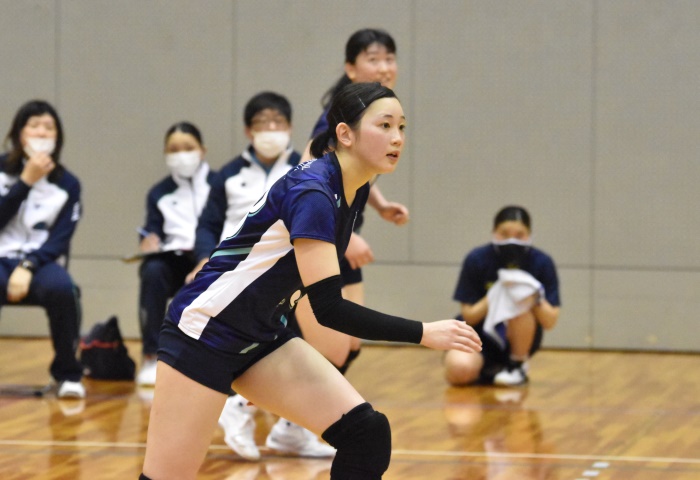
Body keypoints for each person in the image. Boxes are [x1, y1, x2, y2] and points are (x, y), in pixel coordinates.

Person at [140, 82, 482, 480]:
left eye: (402, 127)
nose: (397, 138)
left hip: (261, 336)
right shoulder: (314, 193)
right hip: (204, 335)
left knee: (366, 433)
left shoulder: (353, 187)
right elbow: (329, 309)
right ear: (345, 134)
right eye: (385, 125)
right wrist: (424, 333)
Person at [186, 91, 334, 460]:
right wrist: (203, 258)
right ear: (247, 131)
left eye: (277, 122)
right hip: (234, 273)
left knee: (315, 346)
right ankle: (237, 406)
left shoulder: (305, 170)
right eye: (261, 123)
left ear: (290, 127)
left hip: (287, 272)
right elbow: (207, 225)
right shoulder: (227, 175)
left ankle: (286, 425)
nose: (270, 129)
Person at [298, 27, 409, 375]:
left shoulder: (374, 114)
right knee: (333, 350)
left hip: (343, 235)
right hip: (323, 237)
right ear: (351, 68)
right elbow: (310, 179)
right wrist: (338, 237)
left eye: (389, 59)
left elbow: (352, 171)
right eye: (373, 59)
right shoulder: (337, 119)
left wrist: (379, 204)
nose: (384, 67)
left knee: (350, 347)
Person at [0, 100, 84, 398]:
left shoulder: (68, 184)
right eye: (34, 126)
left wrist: (29, 265)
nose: (41, 132)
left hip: (40, 262)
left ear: (57, 137)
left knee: (64, 290)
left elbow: (60, 238)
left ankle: (68, 374)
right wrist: (25, 182)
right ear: (19, 133)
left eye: (49, 127)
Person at [135, 122, 216, 386]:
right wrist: (147, 242)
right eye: (174, 149)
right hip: (176, 259)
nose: (181, 155)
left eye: (188, 148)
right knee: (152, 271)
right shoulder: (159, 193)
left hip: (214, 257)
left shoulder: (220, 184)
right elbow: (152, 230)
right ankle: (152, 355)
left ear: (202, 150)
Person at [444, 206, 561, 387]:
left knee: (517, 305)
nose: (511, 240)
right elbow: (469, 316)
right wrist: (497, 293)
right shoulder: (477, 259)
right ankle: (488, 369)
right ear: (494, 232)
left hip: (520, 336)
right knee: (459, 370)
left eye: (519, 235)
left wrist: (530, 294)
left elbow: (550, 321)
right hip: (477, 335)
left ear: (529, 235)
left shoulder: (542, 262)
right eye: (504, 234)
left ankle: (516, 365)